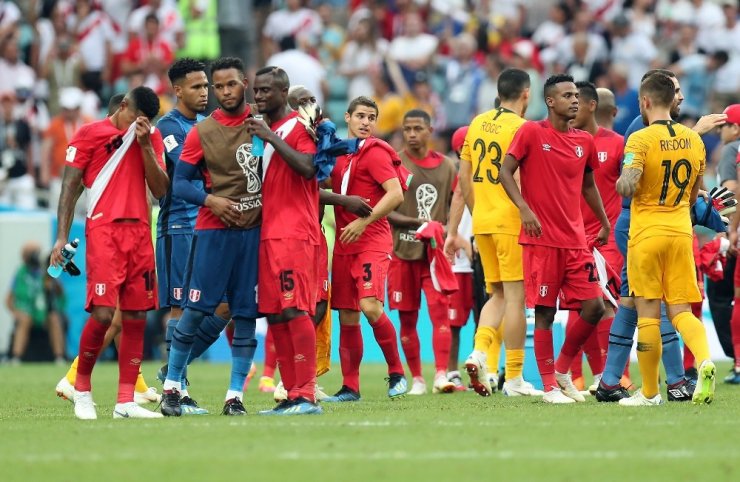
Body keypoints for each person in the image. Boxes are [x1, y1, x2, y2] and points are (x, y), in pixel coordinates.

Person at [595, 69, 726, 402]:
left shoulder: (640, 138)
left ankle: (650, 392)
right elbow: (696, 192)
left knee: (649, 312)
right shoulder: (694, 140)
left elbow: (629, 181)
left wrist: (625, 181)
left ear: (645, 101)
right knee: (681, 310)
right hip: (681, 232)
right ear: (672, 100)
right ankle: (705, 360)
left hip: (646, 232)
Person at [51, 85, 168, 419]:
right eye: (136, 118)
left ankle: (125, 401)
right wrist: (61, 238)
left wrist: (145, 143)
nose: (139, 125)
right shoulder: (89, 134)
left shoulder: (151, 137)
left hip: (140, 233)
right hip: (105, 230)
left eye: (146, 121)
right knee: (103, 314)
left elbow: (161, 190)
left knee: (135, 315)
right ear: (124, 105)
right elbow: (69, 188)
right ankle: (82, 389)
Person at [499, 74, 610, 404]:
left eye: (576, 95)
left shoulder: (584, 141)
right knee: (546, 313)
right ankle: (549, 388)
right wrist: (523, 209)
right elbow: (504, 171)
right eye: (567, 95)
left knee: (594, 307)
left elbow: (588, 185)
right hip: (542, 240)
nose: (574, 100)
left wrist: (603, 222)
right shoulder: (531, 132)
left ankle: (562, 370)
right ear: (550, 101)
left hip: (576, 241)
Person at [159, 57, 261, 417]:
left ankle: (235, 397)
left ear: (244, 83)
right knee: (194, 309)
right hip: (212, 231)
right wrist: (211, 200)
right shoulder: (201, 132)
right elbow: (181, 182)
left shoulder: (261, 127)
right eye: (216, 86)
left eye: (229, 84)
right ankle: (172, 387)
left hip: (252, 234)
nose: (222, 92)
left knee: (244, 314)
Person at [445, 68, 541, 397]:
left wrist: (477, 214)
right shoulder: (524, 128)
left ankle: (479, 351)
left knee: (496, 295)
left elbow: (464, 177)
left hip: (483, 222)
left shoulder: (477, 123)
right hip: (512, 222)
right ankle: (514, 377)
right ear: (526, 94)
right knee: (516, 298)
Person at [245, 66, 322, 415]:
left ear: (283, 91)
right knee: (275, 314)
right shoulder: (269, 131)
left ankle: (307, 395)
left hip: (295, 232)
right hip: (270, 232)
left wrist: (271, 137)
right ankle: (292, 395)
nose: (259, 97)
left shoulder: (297, 126)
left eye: (265, 91)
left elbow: (309, 167)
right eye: (256, 91)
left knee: (294, 308)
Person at [323, 96, 408, 402]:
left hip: (371, 239)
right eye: (360, 116)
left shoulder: (375, 152)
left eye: (371, 117)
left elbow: (395, 194)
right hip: (346, 243)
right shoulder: (338, 154)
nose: (366, 122)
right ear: (347, 118)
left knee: (370, 305)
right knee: (347, 314)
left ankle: (397, 372)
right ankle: (350, 387)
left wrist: (363, 221)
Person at [153, 58, 214, 415]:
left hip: (211, 225)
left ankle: (171, 370)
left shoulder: (207, 124)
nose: (204, 92)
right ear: (178, 90)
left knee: (225, 306)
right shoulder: (168, 127)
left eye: (206, 86)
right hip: (179, 225)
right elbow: (197, 164)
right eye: (197, 86)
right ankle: (178, 390)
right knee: (181, 307)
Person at [387, 109, 457, 395]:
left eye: (418, 128)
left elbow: (457, 205)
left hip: (433, 255)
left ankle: (440, 374)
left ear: (430, 131)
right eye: (407, 129)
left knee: (441, 314)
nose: (412, 134)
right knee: (407, 317)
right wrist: (421, 223)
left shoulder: (447, 167)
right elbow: (386, 210)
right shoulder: (394, 163)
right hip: (402, 251)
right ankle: (417, 378)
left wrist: (447, 230)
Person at [568, 82, 625, 392]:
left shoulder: (617, 144)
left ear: (590, 106)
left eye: (576, 101)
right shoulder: (562, 143)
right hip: (573, 237)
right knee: (583, 307)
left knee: (612, 304)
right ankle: (578, 375)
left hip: (608, 237)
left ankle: (614, 373)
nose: (571, 108)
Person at [5, 242, 65, 364]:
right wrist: (16, 313)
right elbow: (8, 299)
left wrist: (52, 281)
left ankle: (59, 357)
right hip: (27, 312)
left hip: (44, 312)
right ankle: (16, 358)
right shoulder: (20, 273)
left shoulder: (46, 270)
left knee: (54, 318)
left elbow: (60, 294)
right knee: (25, 319)